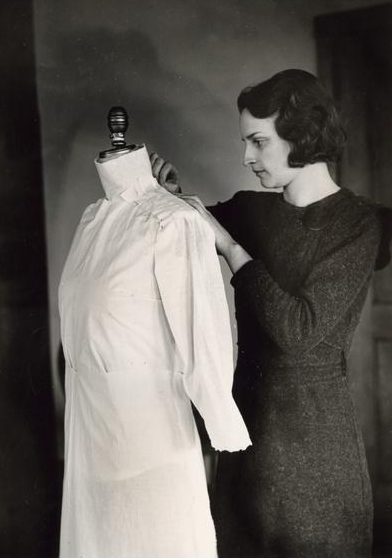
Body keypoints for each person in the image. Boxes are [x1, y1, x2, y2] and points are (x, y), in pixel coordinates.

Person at [150, 69, 392, 558]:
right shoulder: (248, 210)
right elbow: (185, 234)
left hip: (316, 458)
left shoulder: (359, 224)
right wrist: (172, 198)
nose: (246, 157)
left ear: (302, 135)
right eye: (246, 142)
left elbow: (299, 329)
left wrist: (230, 249)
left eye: (258, 142)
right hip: (245, 443)